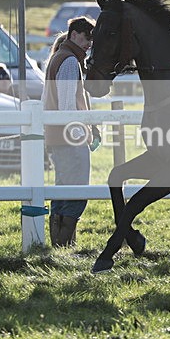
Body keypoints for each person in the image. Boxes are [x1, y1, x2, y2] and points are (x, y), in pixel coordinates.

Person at [42, 17, 96, 247]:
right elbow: (66, 106)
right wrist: (83, 129)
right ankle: (65, 243)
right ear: (74, 35)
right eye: (86, 39)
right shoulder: (70, 61)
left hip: (57, 134)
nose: (88, 45)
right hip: (70, 135)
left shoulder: (59, 57)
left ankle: (60, 244)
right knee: (77, 190)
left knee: (63, 187)